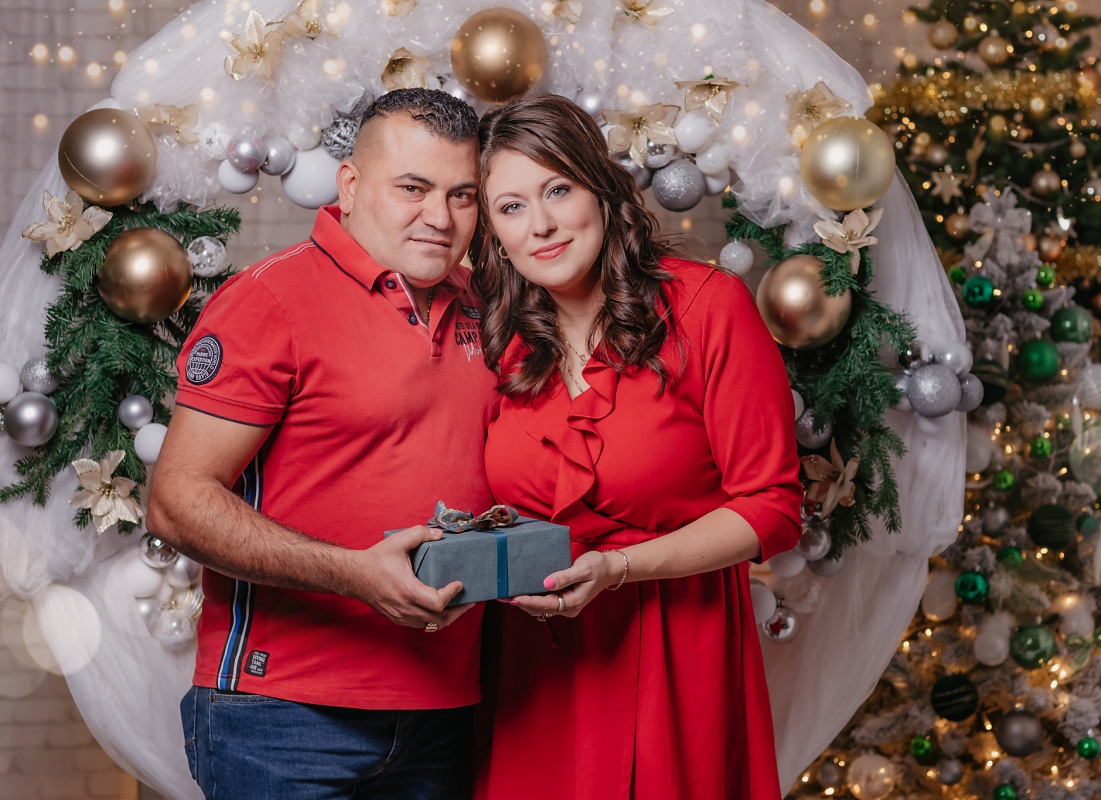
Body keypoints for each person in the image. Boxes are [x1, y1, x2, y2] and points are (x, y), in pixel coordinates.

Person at [145, 88, 496, 800]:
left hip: (445, 706)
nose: (440, 217)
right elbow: (176, 503)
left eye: (462, 195)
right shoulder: (269, 300)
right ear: (351, 185)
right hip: (283, 717)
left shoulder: (486, 304)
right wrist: (354, 574)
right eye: (413, 188)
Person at [469, 94, 804, 800]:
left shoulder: (708, 307)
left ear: (602, 189)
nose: (542, 225)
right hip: (534, 669)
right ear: (493, 232)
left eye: (558, 190)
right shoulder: (498, 341)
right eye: (512, 207)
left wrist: (620, 567)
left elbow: (772, 508)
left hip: (676, 649)